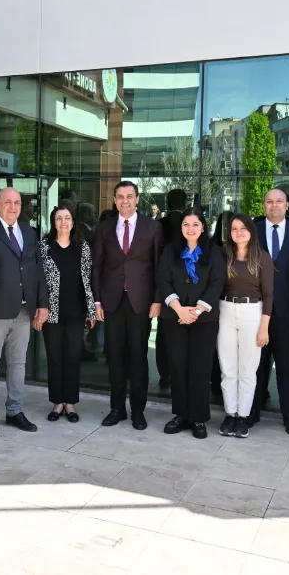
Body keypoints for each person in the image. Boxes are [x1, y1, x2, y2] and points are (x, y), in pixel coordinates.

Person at [0, 188, 49, 437]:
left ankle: (15, 411)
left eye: (17, 202)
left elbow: (37, 270)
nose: (13, 206)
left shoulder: (28, 232)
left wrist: (42, 303)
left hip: (23, 311)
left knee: (18, 363)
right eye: (8, 202)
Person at [93, 181, 164, 431]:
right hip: (112, 302)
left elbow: (159, 266)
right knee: (114, 357)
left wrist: (157, 299)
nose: (125, 201)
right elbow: (97, 266)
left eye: (129, 196)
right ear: (115, 200)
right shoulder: (104, 228)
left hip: (140, 303)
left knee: (138, 358)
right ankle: (117, 409)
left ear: (137, 199)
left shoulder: (152, 227)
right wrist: (97, 301)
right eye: (120, 197)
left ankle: (138, 411)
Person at [159, 208, 225, 439]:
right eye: (186, 224)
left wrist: (196, 311)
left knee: (200, 368)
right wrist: (179, 308)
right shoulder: (170, 251)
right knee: (177, 367)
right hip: (174, 317)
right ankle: (180, 414)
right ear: (180, 228)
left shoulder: (213, 251)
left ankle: (198, 418)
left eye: (195, 224)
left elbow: (217, 282)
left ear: (203, 227)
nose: (190, 228)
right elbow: (163, 280)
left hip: (204, 319)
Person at [252, 188, 289, 435]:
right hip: (255, 311)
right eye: (269, 201)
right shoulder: (252, 230)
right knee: (256, 365)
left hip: (288, 312)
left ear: (287, 206)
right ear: (264, 205)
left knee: (288, 366)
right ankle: (252, 412)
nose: (274, 205)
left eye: (279, 201)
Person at [217, 214, 273, 438]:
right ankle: (230, 414)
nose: (238, 232)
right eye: (234, 228)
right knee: (228, 368)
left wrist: (264, 327)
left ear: (251, 230)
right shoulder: (223, 255)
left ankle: (243, 417)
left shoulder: (262, 258)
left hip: (253, 312)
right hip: (226, 310)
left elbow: (269, 295)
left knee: (248, 369)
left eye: (243, 228)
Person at [39, 205, 96, 423]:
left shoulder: (83, 247)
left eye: (67, 218)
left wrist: (91, 310)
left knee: (73, 357)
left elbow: (88, 280)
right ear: (53, 222)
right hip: (51, 312)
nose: (63, 222)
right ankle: (57, 402)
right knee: (54, 358)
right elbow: (38, 280)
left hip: (76, 311)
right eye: (59, 218)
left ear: (73, 222)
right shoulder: (44, 247)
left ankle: (70, 402)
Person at [155, 188, 187, 389]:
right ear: (184, 203)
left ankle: (164, 373)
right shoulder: (188, 222)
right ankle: (179, 374)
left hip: (163, 283)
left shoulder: (159, 224)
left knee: (163, 332)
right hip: (186, 284)